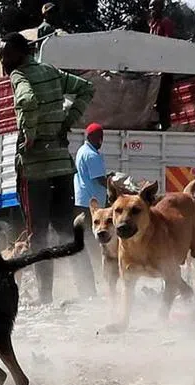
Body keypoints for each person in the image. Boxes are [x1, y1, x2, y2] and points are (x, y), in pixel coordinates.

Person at [0, 31, 95, 304]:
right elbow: (86, 88)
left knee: (38, 236)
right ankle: (88, 293)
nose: (3, 61)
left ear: (19, 54)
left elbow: (27, 101)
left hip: (35, 170)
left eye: (6, 55)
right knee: (67, 231)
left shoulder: (19, 75)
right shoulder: (52, 71)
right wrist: (66, 123)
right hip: (61, 166)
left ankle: (45, 297)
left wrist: (29, 135)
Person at [73, 123, 107, 295]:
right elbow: (100, 179)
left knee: (85, 242)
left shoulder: (81, 151)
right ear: (96, 138)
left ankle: (87, 285)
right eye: (100, 138)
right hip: (91, 204)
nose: (101, 142)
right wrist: (117, 186)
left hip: (82, 201)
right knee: (94, 243)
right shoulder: (92, 155)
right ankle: (94, 284)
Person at [148, 0, 178, 131]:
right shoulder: (153, 25)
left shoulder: (166, 23)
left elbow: (168, 44)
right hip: (154, 68)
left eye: (154, 6)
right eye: (150, 7)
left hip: (164, 69)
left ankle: (165, 127)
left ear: (161, 7)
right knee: (153, 98)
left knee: (163, 100)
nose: (151, 9)